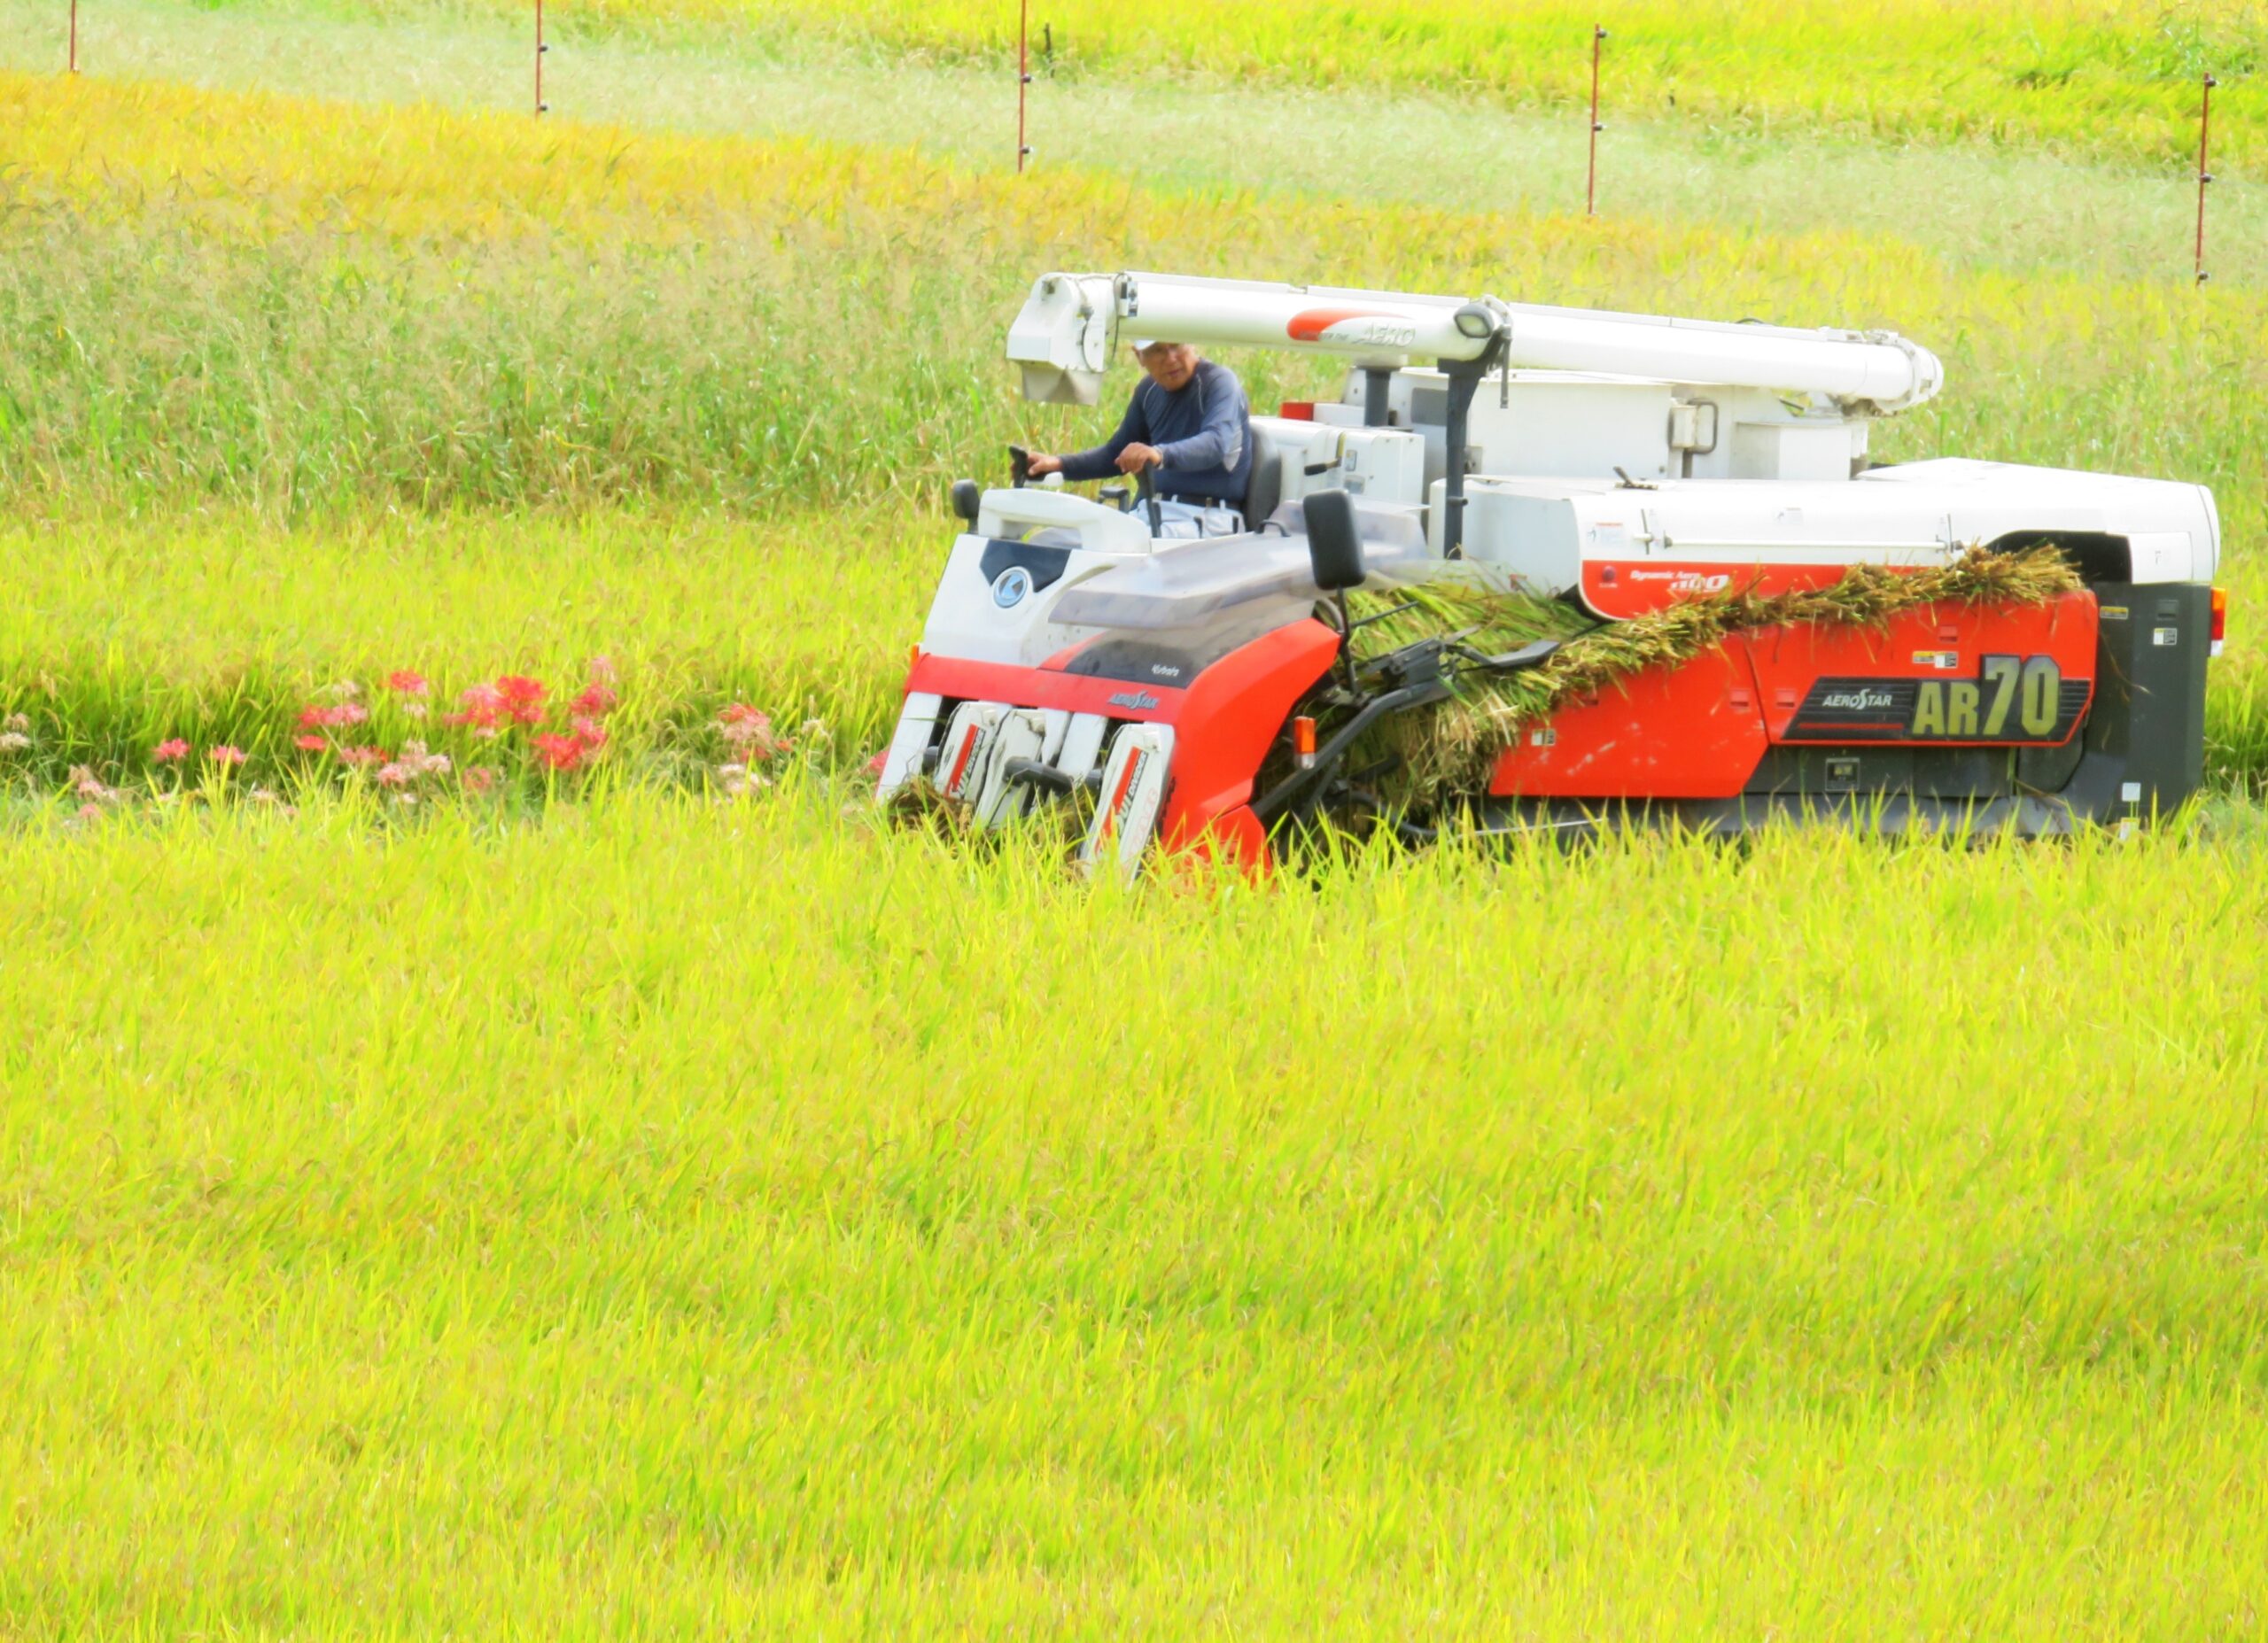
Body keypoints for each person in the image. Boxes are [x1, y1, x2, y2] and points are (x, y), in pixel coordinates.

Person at [1026, 340, 1254, 535]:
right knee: (1054, 541)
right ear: (1139, 355)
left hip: (1210, 521)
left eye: (1176, 345)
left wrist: (1159, 454)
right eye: (1157, 350)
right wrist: (1058, 464)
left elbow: (1215, 442)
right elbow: (1116, 454)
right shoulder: (1149, 391)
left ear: (1191, 343)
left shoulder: (1219, 383)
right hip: (1152, 516)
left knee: (1115, 548)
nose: (1171, 358)